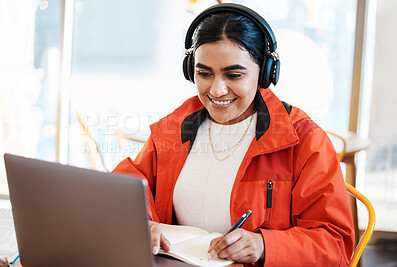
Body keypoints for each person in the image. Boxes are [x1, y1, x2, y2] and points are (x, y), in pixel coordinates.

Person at [113, 3, 354, 266]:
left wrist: (265, 246)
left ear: (265, 72)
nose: (216, 90)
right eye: (204, 73)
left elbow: (336, 245)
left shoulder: (305, 141)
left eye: (234, 75)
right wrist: (143, 224)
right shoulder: (174, 128)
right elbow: (128, 188)